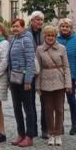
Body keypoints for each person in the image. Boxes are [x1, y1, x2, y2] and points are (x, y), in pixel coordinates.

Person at [37, 25, 72, 147]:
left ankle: (58, 134)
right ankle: (51, 134)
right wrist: (38, 86)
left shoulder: (62, 48)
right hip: (46, 83)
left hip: (59, 82)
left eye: (52, 35)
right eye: (48, 35)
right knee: (48, 110)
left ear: (55, 36)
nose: (50, 37)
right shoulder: (40, 49)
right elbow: (38, 69)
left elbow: (66, 66)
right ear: (44, 36)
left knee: (59, 109)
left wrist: (68, 83)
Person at [7, 18, 37, 148]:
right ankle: (21, 133)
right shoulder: (13, 39)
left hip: (24, 79)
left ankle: (29, 136)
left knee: (28, 108)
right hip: (14, 78)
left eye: (17, 26)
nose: (15, 28)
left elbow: (30, 61)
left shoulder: (27, 40)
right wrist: (9, 79)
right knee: (16, 108)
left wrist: (28, 80)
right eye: (13, 26)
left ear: (23, 27)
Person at [56, 18, 76, 135]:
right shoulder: (56, 40)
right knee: (59, 102)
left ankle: (74, 124)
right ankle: (59, 124)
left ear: (71, 28)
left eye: (67, 26)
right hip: (58, 75)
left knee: (71, 100)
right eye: (62, 26)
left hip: (71, 76)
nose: (64, 28)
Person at [28, 10, 47, 138]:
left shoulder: (46, 33)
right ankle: (32, 129)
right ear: (32, 21)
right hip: (30, 71)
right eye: (37, 19)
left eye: (41, 20)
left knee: (45, 102)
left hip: (44, 71)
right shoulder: (26, 33)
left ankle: (45, 129)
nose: (39, 22)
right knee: (30, 102)